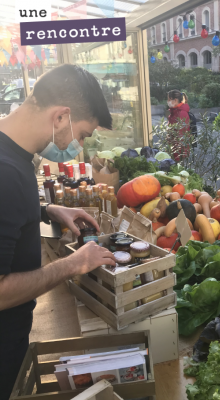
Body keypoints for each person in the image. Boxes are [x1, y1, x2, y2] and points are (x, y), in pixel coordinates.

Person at [0, 64, 117, 400]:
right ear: (61, 117)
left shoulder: (14, 156)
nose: (78, 146)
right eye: (82, 134)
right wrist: (73, 264)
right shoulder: (6, 174)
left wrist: (47, 210)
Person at [167, 90, 191, 162]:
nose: (167, 101)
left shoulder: (181, 113)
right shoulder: (174, 112)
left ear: (175, 100)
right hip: (174, 149)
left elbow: (180, 135)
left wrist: (175, 153)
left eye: (169, 99)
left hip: (179, 151)